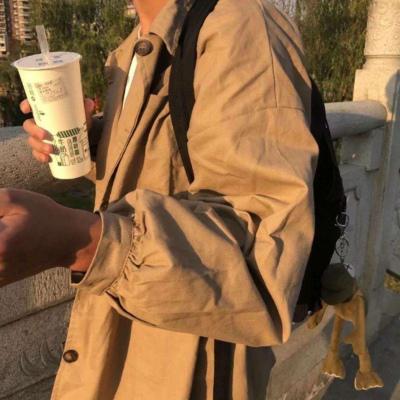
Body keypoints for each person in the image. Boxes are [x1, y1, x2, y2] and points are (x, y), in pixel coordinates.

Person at [3, 0, 319, 398]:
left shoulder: (240, 27)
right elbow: (172, 163)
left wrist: (79, 242)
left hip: (191, 362)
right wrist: (97, 141)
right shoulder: (139, 43)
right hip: (125, 336)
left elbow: (265, 266)